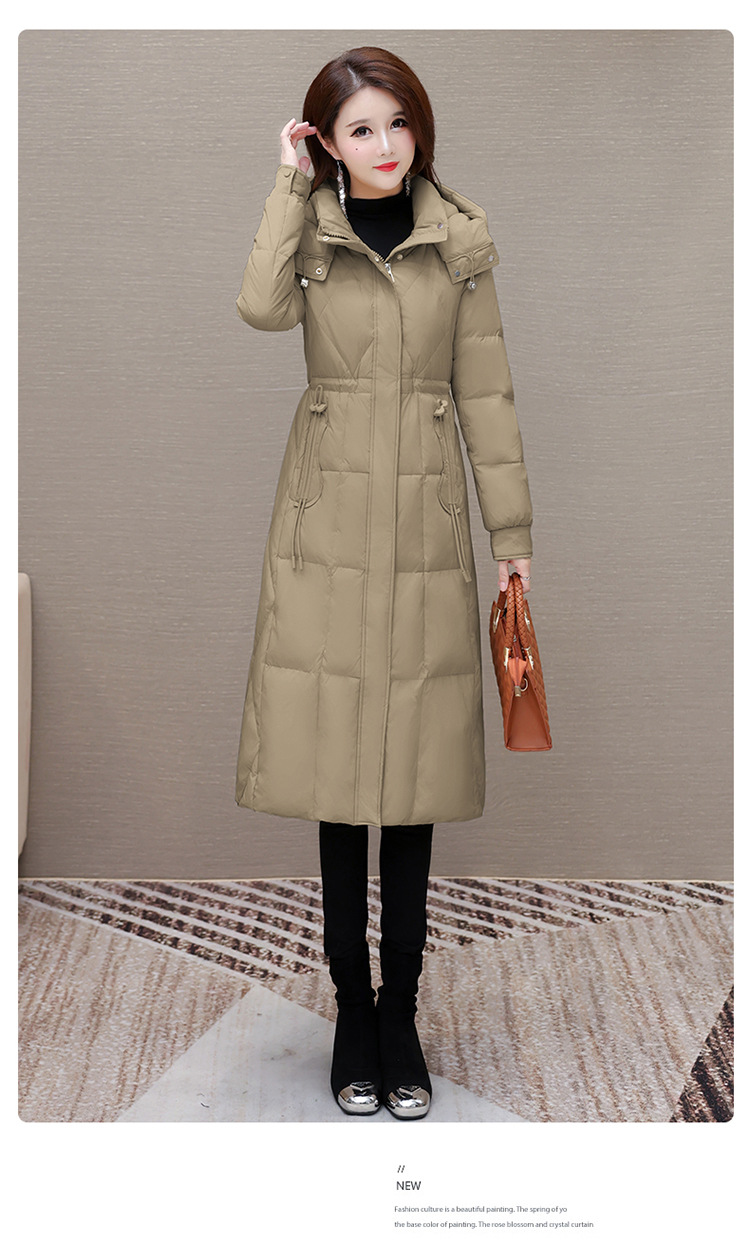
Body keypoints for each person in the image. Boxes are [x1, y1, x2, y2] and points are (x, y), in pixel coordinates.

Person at [234, 46, 533, 1120]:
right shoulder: (312, 234)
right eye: (359, 128)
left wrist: (511, 532)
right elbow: (258, 308)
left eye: (398, 122)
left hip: (425, 525)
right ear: (327, 141)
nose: (386, 144)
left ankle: (399, 1010)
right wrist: (287, 184)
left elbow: (487, 389)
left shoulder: (459, 241)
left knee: (411, 779)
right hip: (324, 525)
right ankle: (350, 1010)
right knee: (337, 777)